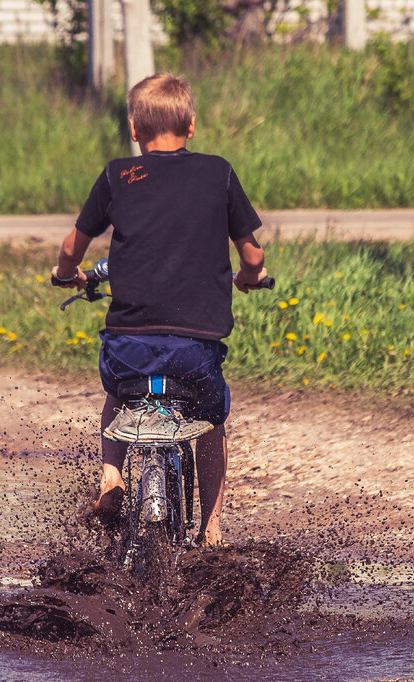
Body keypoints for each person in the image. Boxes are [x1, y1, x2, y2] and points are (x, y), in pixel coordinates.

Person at [50, 72, 268, 547]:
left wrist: (67, 273)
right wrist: (249, 278)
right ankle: (211, 531)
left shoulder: (117, 175)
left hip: (129, 348)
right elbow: (253, 256)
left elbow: (73, 247)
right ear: (191, 125)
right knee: (210, 422)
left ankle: (111, 476)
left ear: (133, 129)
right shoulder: (218, 172)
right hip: (195, 350)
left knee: (117, 394)